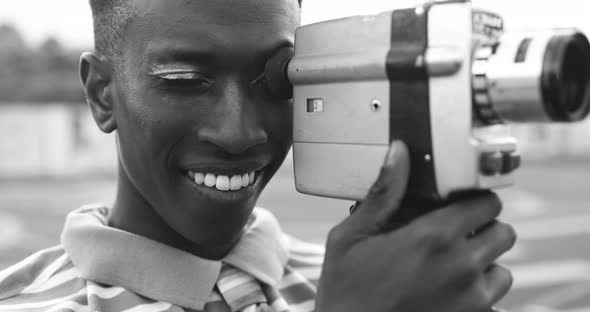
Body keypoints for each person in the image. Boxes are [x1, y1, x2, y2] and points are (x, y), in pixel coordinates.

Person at [0, 0, 516, 311]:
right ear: (101, 94)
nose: (239, 132)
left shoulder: (386, 281)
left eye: (278, 80)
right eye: (185, 81)